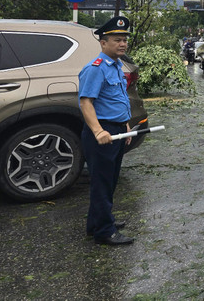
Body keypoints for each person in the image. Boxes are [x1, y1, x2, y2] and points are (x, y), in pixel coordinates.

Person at [78, 16, 135, 245]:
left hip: (117, 130)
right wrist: (99, 131)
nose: (122, 44)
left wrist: (126, 124)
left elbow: (117, 99)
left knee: (109, 180)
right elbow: (86, 103)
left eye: (124, 40)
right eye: (116, 40)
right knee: (102, 182)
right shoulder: (95, 69)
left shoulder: (116, 66)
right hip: (103, 134)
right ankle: (104, 231)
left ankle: (97, 222)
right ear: (103, 43)